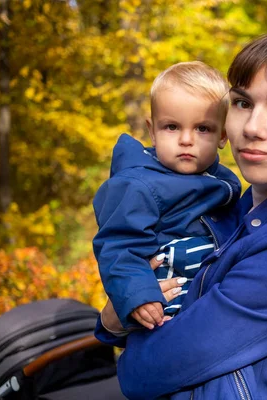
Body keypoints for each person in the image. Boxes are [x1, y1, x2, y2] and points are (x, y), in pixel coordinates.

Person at [96, 16, 267, 399]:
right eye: (242, 102)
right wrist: (118, 314)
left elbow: (140, 375)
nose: (253, 126)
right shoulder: (245, 204)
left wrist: (121, 332)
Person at [93, 61, 241, 331]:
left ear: (223, 136)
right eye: (172, 127)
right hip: (162, 307)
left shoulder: (221, 181)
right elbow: (119, 246)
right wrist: (138, 296)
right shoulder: (138, 185)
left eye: (202, 129)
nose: (186, 139)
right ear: (152, 131)